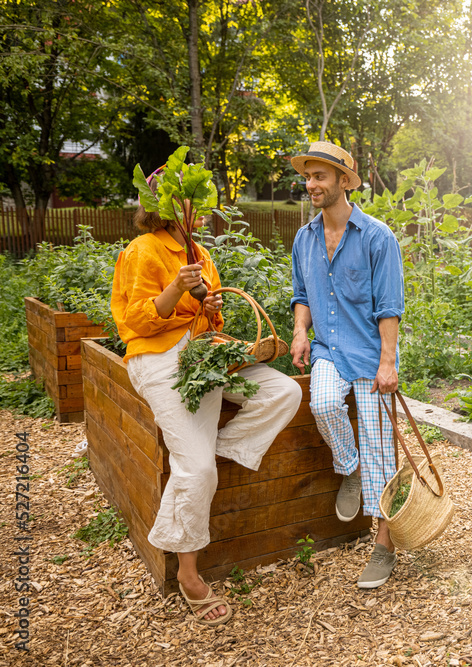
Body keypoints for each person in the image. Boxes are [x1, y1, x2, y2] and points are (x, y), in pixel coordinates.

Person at [111, 209, 301, 625]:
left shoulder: (199, 252)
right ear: (163, 208)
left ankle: (208, 456)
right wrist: (177, 288)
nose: (193, 213)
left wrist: (208, 303)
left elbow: (210, 319)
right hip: (159, 358)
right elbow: (134, 319)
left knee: (284, 391)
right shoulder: (143, 249)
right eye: (183, 203)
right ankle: (189, 574)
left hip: (203, 351)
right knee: (197, 471)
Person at [289, 141, 405, 589]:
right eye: (308, 176)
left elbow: (390, 307)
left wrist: (388, 363)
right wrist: (301, 331)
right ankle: (348, 468)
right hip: (327, 351)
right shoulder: (305, 237)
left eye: (319, 176)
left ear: (343, 181)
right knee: (322, 404)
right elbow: (302, 295)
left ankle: (384, 547)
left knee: (381, 450)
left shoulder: (377, 237)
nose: (311, 184)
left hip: (370, 355)